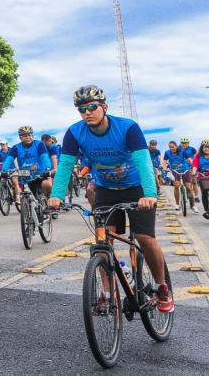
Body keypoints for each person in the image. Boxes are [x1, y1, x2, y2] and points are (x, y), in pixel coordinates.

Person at [49, 85, 172, 312]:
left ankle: (162, 287)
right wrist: (56, 196)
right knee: (102, 241)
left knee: (145, 238)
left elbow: (144, 162)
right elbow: (65, 165)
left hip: (136, 188)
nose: (87, 112)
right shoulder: (75, 132)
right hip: (105, 189)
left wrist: (150, 195)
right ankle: (107, 294)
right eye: (82, 109)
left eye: (92, 107)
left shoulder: (127, 128)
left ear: (104, 107)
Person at [2, 125, 53, 202]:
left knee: (47, 184)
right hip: (26, 176)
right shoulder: (16, 147)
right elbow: (9, 160)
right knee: (29, 197)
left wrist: (48, 168)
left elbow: (44, 157)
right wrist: (4, 170)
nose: (27, 137)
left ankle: (49, 201)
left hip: (40, 174)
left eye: (29, 135)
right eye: (24, 135)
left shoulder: (39, 144)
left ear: (32, 135)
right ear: (20, 137)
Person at [162, 141, 192, 211]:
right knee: (176, 186)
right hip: (174, 170)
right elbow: (164, 161)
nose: (171, 148)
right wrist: (165, 168)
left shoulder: (182, 151)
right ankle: (177, 204)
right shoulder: (167, 153)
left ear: (176, 146)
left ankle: (192, 205)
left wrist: (192, 165)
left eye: (172, 147)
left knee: (188, 187)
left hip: (184, 169)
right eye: (170, 147)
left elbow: (189, 159)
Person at [179, 138, 199, 213]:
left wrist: (195, 164)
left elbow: (197, 156)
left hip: (191, 167)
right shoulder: (178, 149)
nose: (184, 144)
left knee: (193, 182)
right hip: (182, 168)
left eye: (186, 143)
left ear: (188, 143)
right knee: (182, 184)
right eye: (183, 143)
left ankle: (196, 197)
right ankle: (181, 200)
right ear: (180, 143)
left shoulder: (192, 149)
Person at [191, 140, 209, 218]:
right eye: (205, 147)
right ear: (202, 147)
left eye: (208, 147)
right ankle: (207, 210)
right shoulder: (198, 156)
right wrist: (194, 172)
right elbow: (195, 165)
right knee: (205, 191)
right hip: (203, 176)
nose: (206, 148)